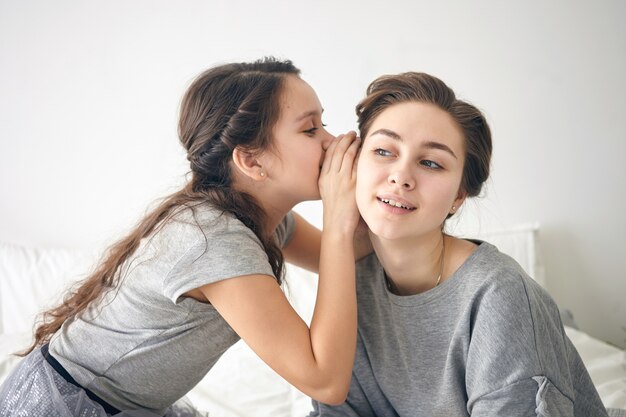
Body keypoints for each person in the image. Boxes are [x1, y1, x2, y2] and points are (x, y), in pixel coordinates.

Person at [0, 57, 364, 416]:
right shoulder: (213, 239)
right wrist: (338, 219)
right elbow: (324, 381)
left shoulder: (260, 218)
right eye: (310, 129)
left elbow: (354, 253)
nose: (333, 142)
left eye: (324, 124)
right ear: (252, 162)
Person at [311, 72, 609, 416]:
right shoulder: (350, 285)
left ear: (458, 197)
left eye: (430, 163)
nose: (401, 176)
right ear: (354, 165)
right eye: (382, 150)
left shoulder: (499, 296)